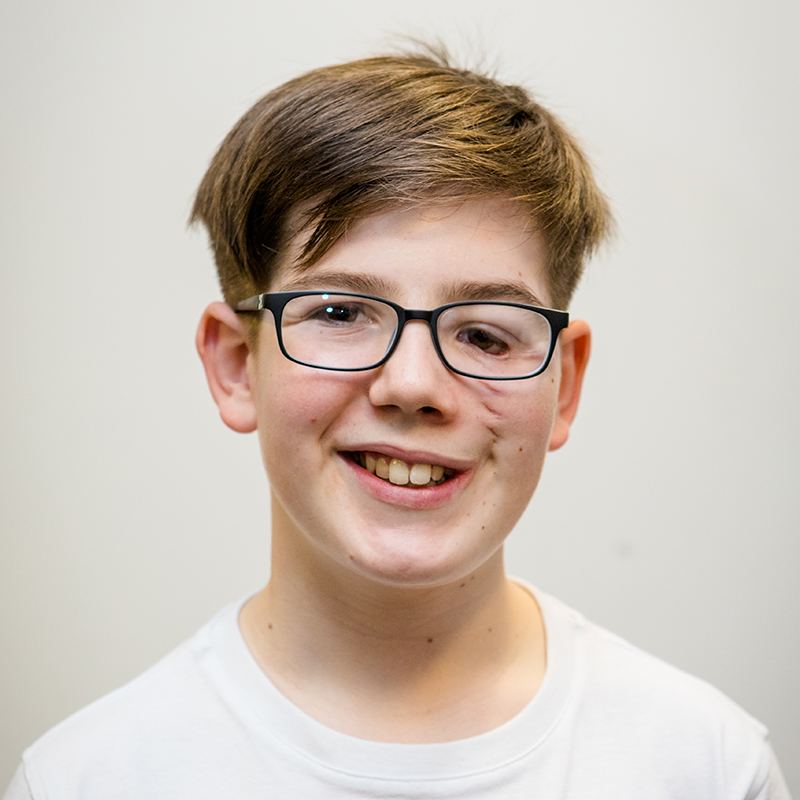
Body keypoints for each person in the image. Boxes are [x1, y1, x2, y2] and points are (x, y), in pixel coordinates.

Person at [4, 47, 791, 800]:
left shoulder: (706, 767)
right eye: (340, 312)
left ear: (564, 382)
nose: (414, 385)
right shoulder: (89, 780)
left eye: (485, 332)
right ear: (237, 365)